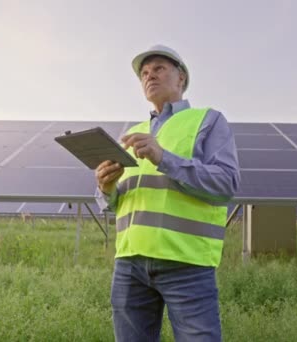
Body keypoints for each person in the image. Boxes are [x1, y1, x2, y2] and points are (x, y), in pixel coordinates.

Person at [95, 44, 240, 342]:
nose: (150, 76)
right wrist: (106, 188)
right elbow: (117, 202)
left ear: (182, 78)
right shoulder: (131, 132)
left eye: (159, 68)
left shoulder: (208, 121)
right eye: (144, 73)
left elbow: (225, 184)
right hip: (130, 265)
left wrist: (165, 158)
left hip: (186, 264)